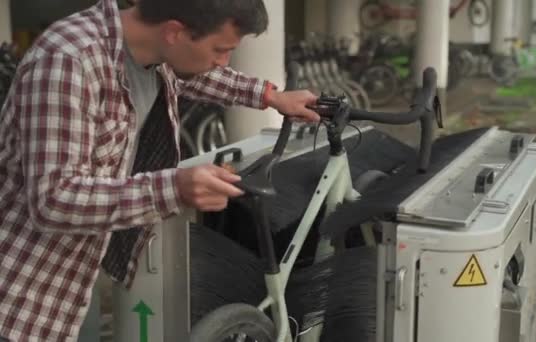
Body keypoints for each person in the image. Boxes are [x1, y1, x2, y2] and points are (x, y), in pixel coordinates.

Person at [0, 0, 320, 340]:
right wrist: (174, 188)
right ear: (174, 32)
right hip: (17, 293)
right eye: (220, 49)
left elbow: (198, 77)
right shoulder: (67, 62)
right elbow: (54, 200)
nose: (222, 61)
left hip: (66, 278)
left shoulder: (150, 54)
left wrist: (272, 97)